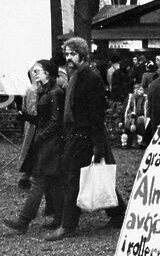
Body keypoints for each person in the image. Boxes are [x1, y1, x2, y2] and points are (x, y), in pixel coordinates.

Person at [46, 37, 117, 241]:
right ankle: (118, 213)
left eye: (73, 54)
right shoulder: (77, 74)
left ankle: (68, 225)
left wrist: (98, 145)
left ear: (83, 55)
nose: (69, 58)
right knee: (94, 174)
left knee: (73, 178)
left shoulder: (90, 77)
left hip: (85, 135)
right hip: (77, 133)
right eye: (67, 54)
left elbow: (97, 113)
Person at [3, 60, 65, 234]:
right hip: (46, 142)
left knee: (39, 180)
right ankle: (59, 219)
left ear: (49, 73)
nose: (36, 74)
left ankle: (24, 220)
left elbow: (56, 121)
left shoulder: (55, 92)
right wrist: (27, 118)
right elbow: (44, 120)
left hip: (51, 144)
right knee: (52, 182)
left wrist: (41, 136)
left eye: (39, 71)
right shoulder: (45, 91)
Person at [121, 81, 149, 148]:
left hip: (140, 117)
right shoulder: (130, 97)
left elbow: (146, 109)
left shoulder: (145, 98)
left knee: (140, 123)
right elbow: (125, 109)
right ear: (135, 90)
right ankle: (124, 143)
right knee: (128, 124)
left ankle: (139, 143)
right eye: (140, 89)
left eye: (142, 90)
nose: (142, 91)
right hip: (130, 116)